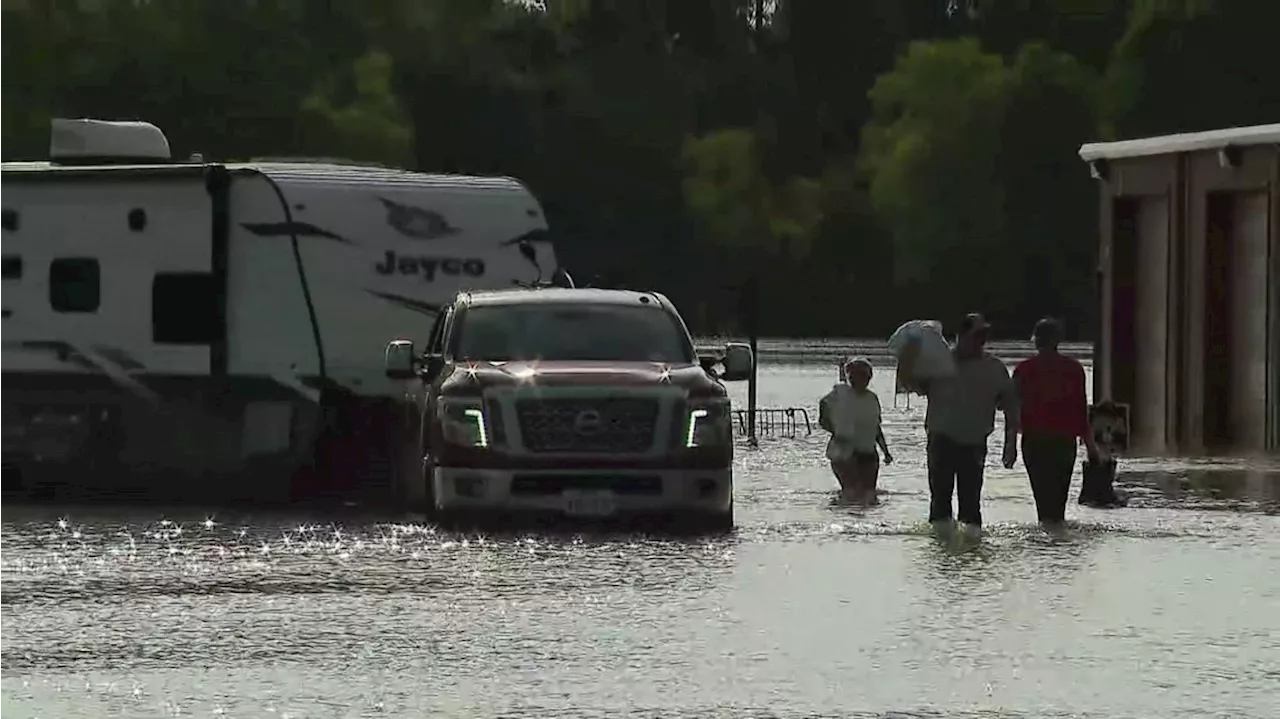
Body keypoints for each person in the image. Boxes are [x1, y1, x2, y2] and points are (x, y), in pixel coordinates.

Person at [918, 313, 1019, 528]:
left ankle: (971, 554)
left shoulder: (994, 367)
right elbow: (912, 385)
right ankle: (941, 555)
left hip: (974, 442)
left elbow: (1010, 406)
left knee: (971, 507)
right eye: (977, 335)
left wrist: (1010, 444)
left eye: (984, 335)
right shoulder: (938, 363)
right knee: (939, 505)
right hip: (941, 440)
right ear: (960, 336)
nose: (981, 340)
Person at [1013, 318, 1097, 526]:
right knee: (1058, 505)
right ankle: (1056, 547)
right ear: (1058, 340)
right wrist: (1091, 445)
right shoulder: (1073, 369)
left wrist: (1010, 443)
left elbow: (1012, 409)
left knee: (1042, 502)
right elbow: (1080, 410)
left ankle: (1046, 548)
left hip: (1034, 441)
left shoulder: (1024, 369)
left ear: (1035, 340)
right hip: (1063, 441)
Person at [819, 357, 893, 503]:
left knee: (868, 495)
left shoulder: (872, 399)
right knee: (851, 493)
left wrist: (886, 451)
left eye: (864, 376)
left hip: (868, 452)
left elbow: (876, 427)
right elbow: (823, 408)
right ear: (849, 377)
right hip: (844, 452)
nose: (859, 380)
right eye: (855, 376)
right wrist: (834, 429)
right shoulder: (841, 394)